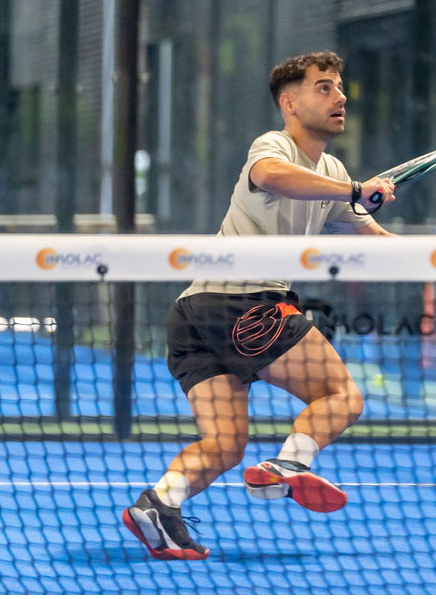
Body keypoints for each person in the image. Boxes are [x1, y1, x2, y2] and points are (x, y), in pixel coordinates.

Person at [122, 51, 396, 561]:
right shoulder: (274, 146)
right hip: (244, 302)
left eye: (339, 87)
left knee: (225, 445)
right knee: (341, 395)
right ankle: (289, 464)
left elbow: (374, 237)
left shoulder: (332, 171)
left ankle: (159, 504)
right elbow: (270, 175)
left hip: (194, 316)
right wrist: (357, 190)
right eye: (324, 87)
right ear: (289, 103)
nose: (339, 97)